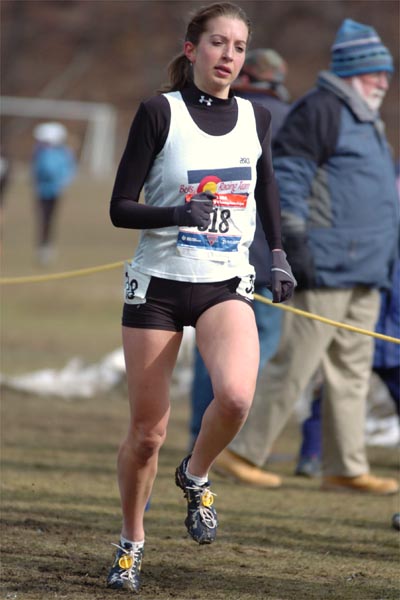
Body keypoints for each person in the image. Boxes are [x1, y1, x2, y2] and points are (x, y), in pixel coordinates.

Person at [106, 3, 295, 593]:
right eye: (218, 44)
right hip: (158, 287)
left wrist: (281, 255)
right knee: (147, 434)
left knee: (236, 397)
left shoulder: (255, 117)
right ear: (192, 50)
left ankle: (196, 475)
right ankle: (131, 543)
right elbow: (119, 207)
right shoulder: (158, 112)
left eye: (238, 47)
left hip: (223, 283)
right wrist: (175, 213)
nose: (229, 57)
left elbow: (267, 196)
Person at [213, 18, 400, 495]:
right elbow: (288, 181)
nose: (385, 81)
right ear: (355, 71)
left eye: (387, 72)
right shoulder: (321, 109)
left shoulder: (365, 116)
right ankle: (240, 452)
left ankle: (345, 465)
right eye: (377, 72)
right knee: (295, 364)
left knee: (351, 374)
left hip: (366, 269)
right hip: (328, 265)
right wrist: (295, 246)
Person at [189, 48, 290, 489]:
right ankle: (221, 443)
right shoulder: (276, 115)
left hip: (204, 251)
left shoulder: (208, 111)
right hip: (255, 257)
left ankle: (200, 437)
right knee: (254, 347)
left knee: (206, 352)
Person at [31, 121, 76, 265]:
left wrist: (63, 182)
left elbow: (63, 170)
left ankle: (46, 247)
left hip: (54, 191)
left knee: (48, 219)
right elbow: (38, 171)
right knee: (44, 219)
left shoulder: (60, 153)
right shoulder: (40, 152)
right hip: (42, 191)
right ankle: (44, 247)